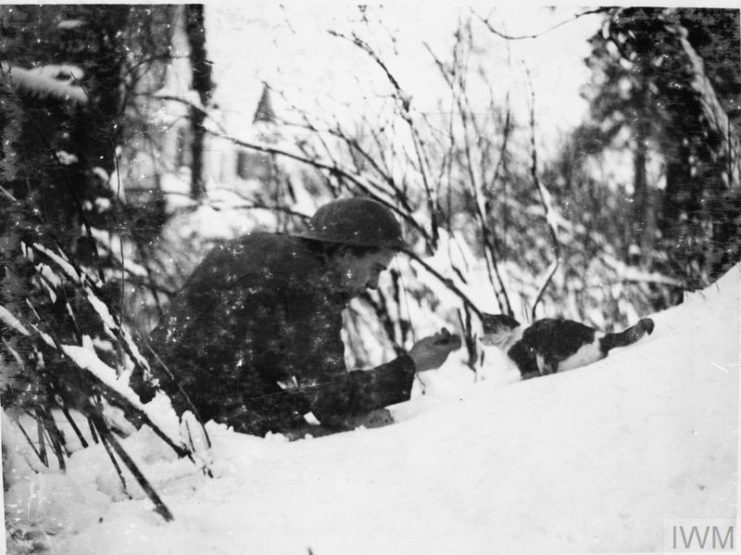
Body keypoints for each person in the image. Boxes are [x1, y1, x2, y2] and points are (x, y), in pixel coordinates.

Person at [135, 197, 461, 437]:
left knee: (305, 413)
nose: (374, 284)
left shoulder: (271, 252)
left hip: (158, 394)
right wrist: (412, 364)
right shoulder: (310, 283)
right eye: (375, 269)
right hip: (183, 416)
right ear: (346, 253)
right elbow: (332, 399)